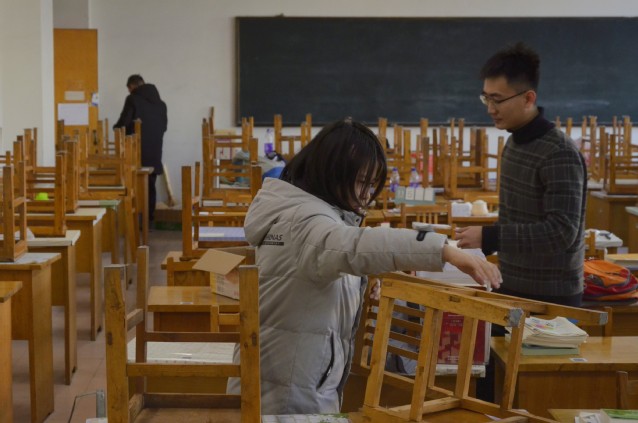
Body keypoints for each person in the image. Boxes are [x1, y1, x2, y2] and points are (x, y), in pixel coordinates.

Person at [228, 118, 501, 414]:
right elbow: (353, 246)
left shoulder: (306, 213)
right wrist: (443, 250)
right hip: (287, 396)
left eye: (372, 185)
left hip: (292, 383)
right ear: (330, 173)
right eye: (361, 182)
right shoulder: (305, 221)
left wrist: (359, 285)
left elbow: (322, 269)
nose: (367, 195)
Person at [455, 42, 587, 308]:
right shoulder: (514, 142)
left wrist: (491, 237)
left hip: (551, 297)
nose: (490, 108)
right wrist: (485, 243)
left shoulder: (559, 152)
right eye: (486, 98)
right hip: (512, 284)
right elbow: (515, 218)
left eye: (498, 99)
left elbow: (561, 232)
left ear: (528, 98)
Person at [113, 74, 167, 223]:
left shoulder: (133, 99)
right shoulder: (161, 104)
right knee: (150, 186)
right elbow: (164, 127)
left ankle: (132, 223)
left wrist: (116, 128)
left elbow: (124, 124)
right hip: (154, 151)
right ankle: (149, 220)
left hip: (136, 152)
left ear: (132, 87)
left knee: (134, 187)